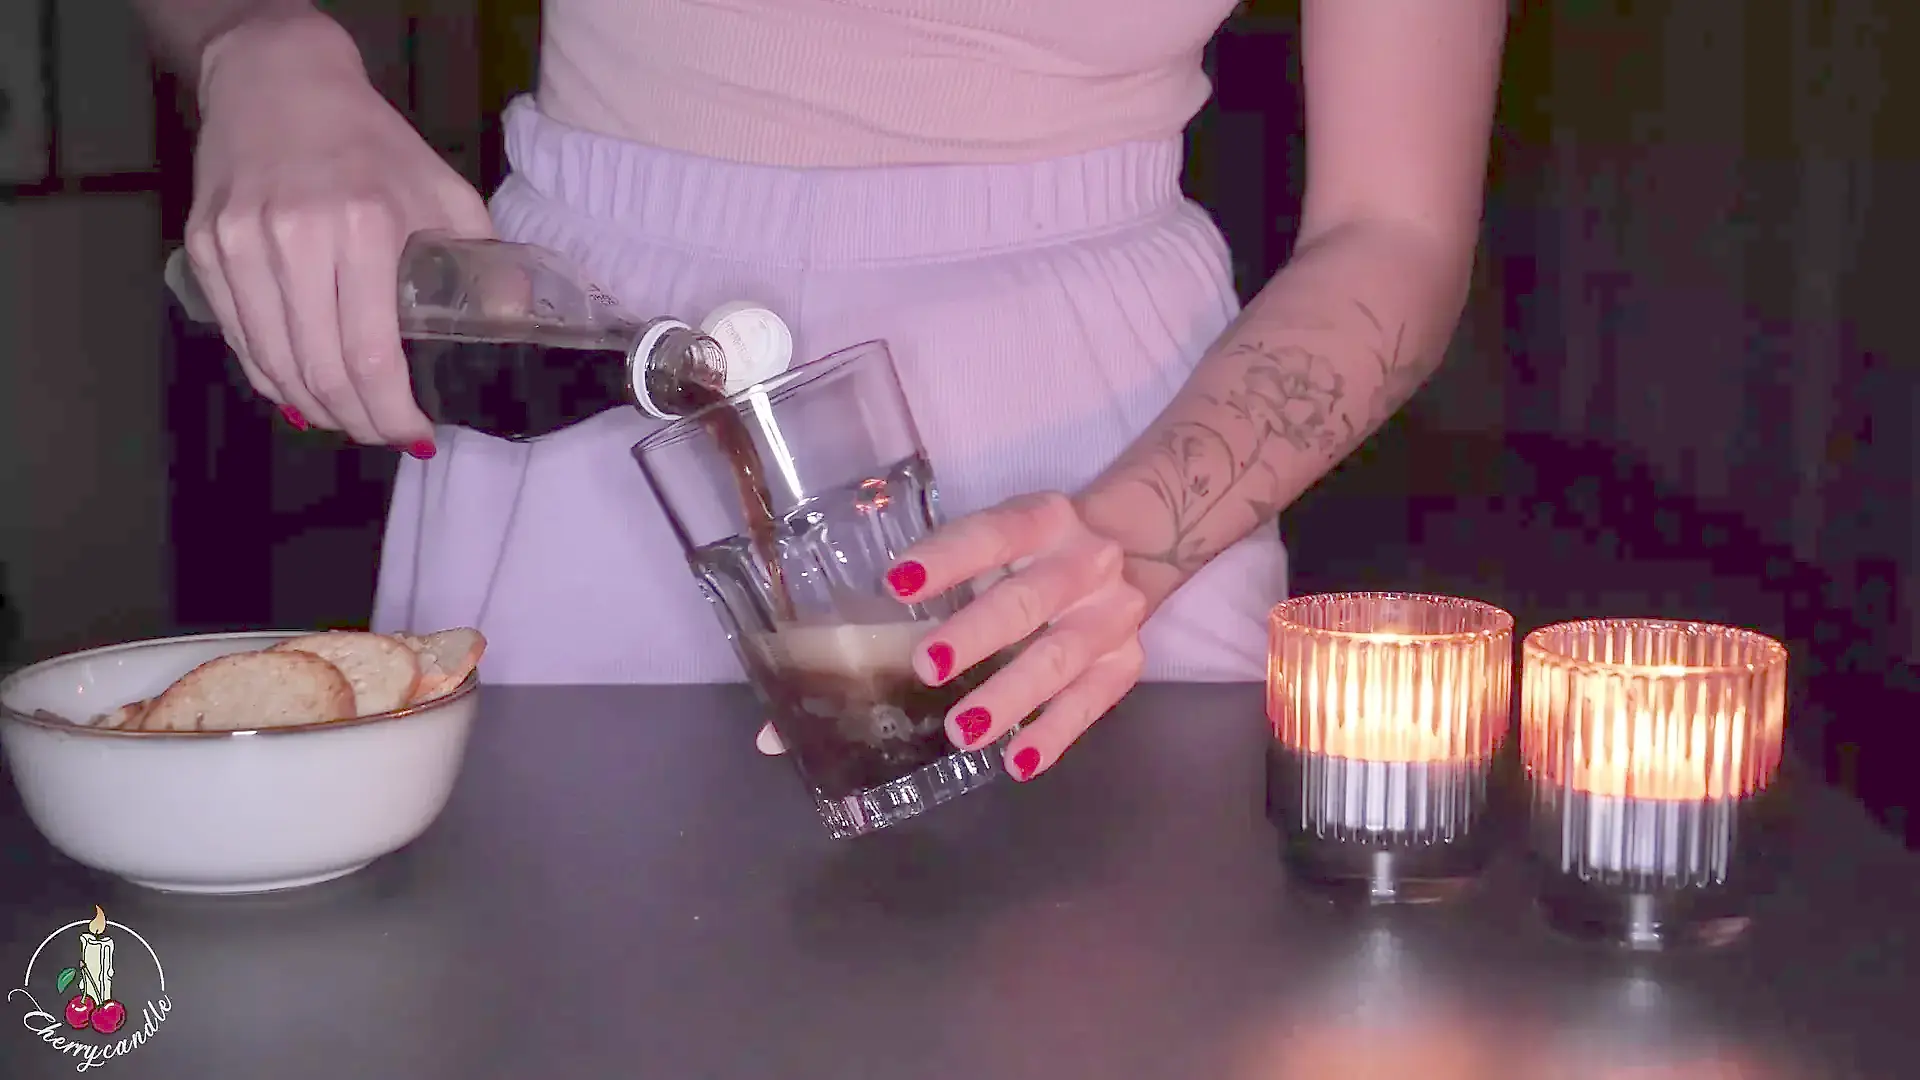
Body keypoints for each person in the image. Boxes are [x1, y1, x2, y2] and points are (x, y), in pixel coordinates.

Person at [134, 0, 1506, 781]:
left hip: (1108, 483)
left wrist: (1135, 538)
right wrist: (260, 44)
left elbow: (1394, 230)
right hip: (596, 387)